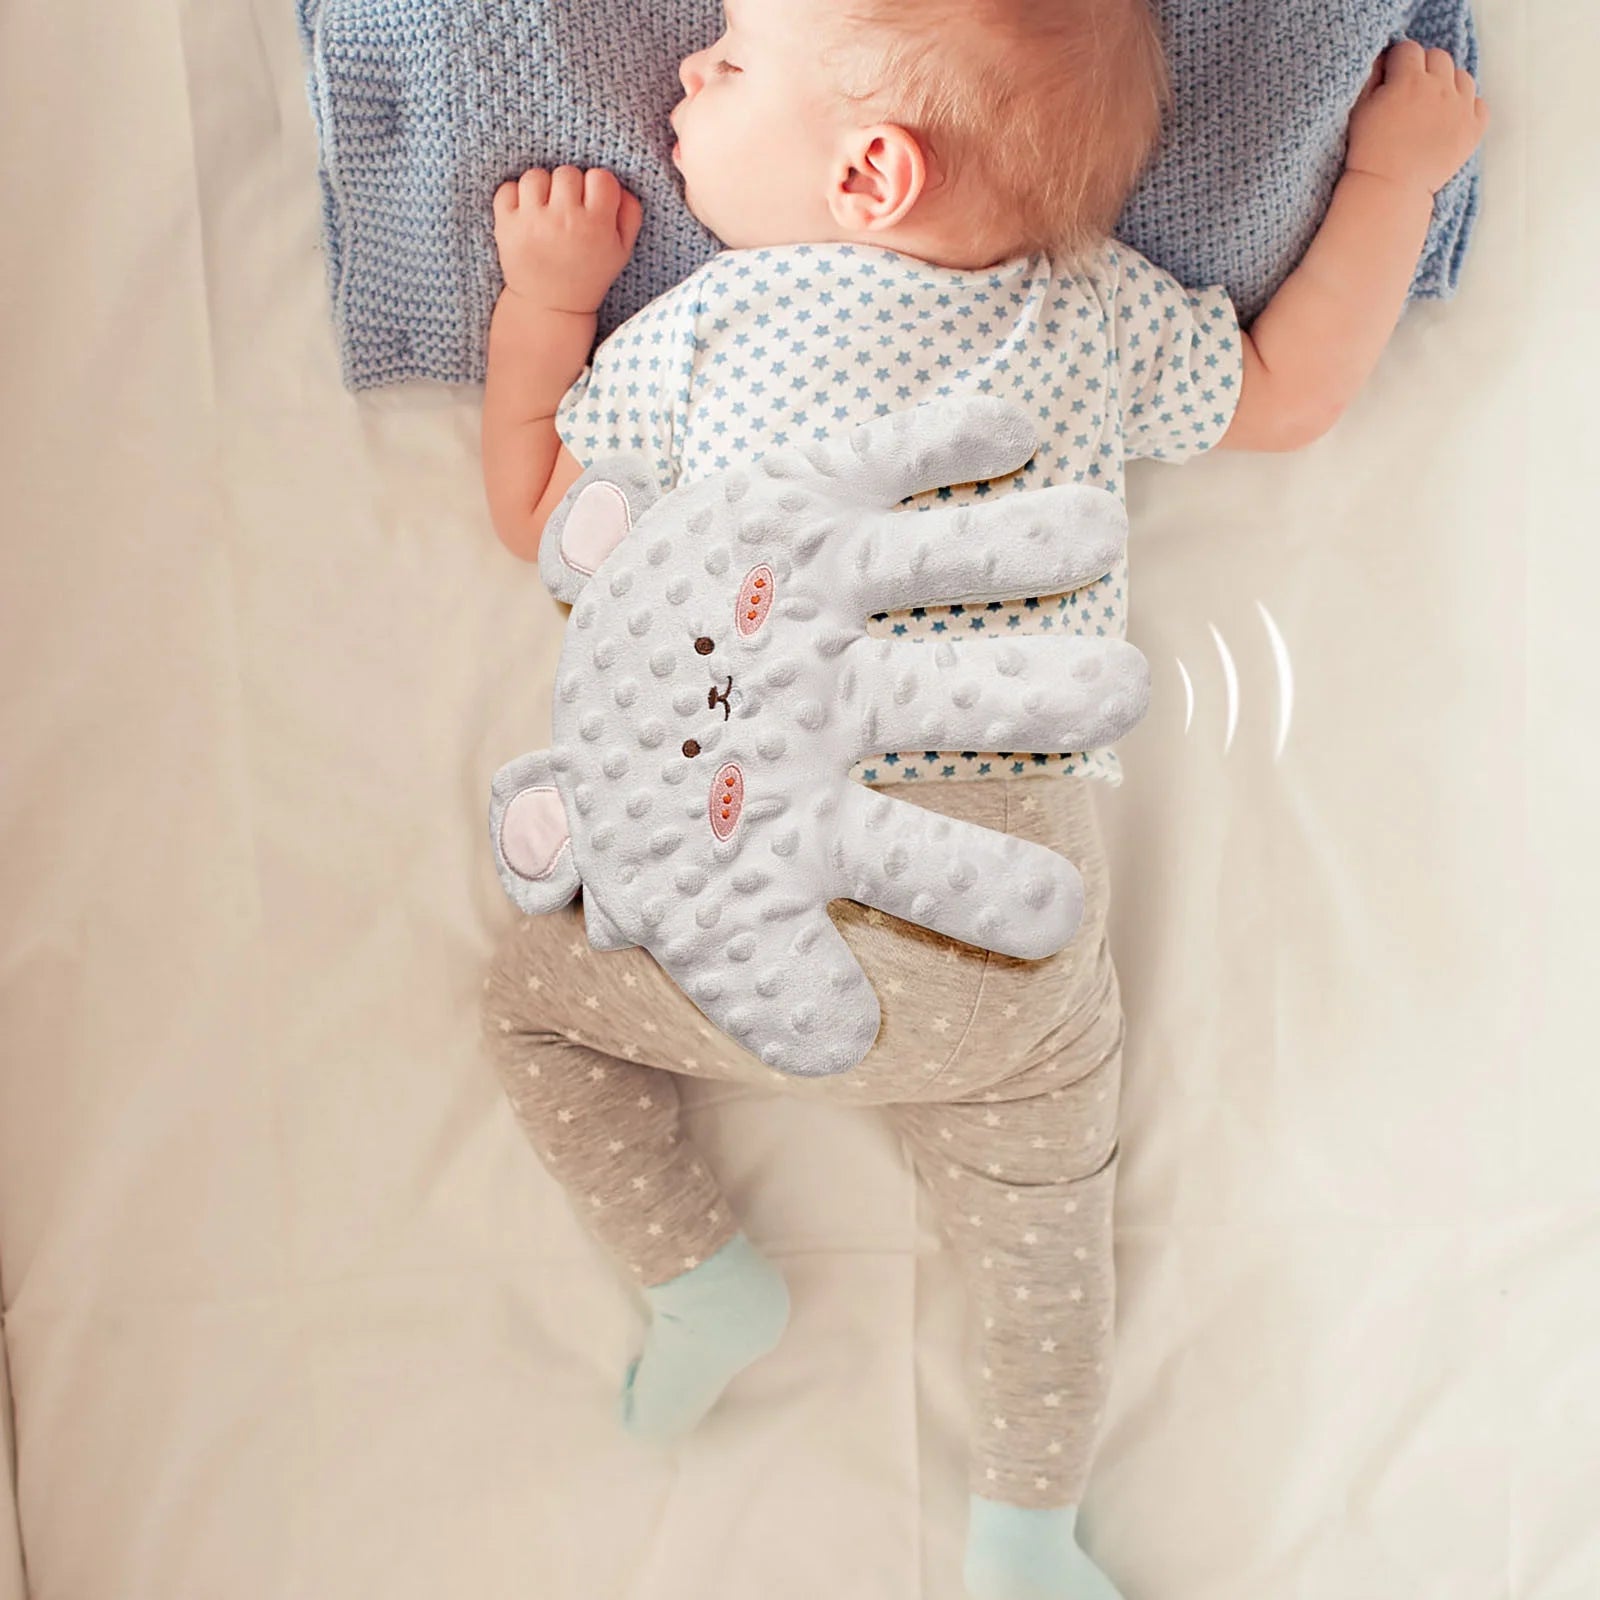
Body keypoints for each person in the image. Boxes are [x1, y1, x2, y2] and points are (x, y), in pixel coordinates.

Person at [478, 5, 1488, 1595]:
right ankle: (1028, 1530)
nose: (686, 74)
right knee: (1045, 1248)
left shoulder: (714, 323)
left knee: (533, 1016)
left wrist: (547, 299)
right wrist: (1392, 180)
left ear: (871, 173)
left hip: (759, 896)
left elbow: (534, 502)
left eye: (729, 63)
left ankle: (698, 1274)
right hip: (1011, 940)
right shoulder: (1090, 310)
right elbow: (1291, 391)